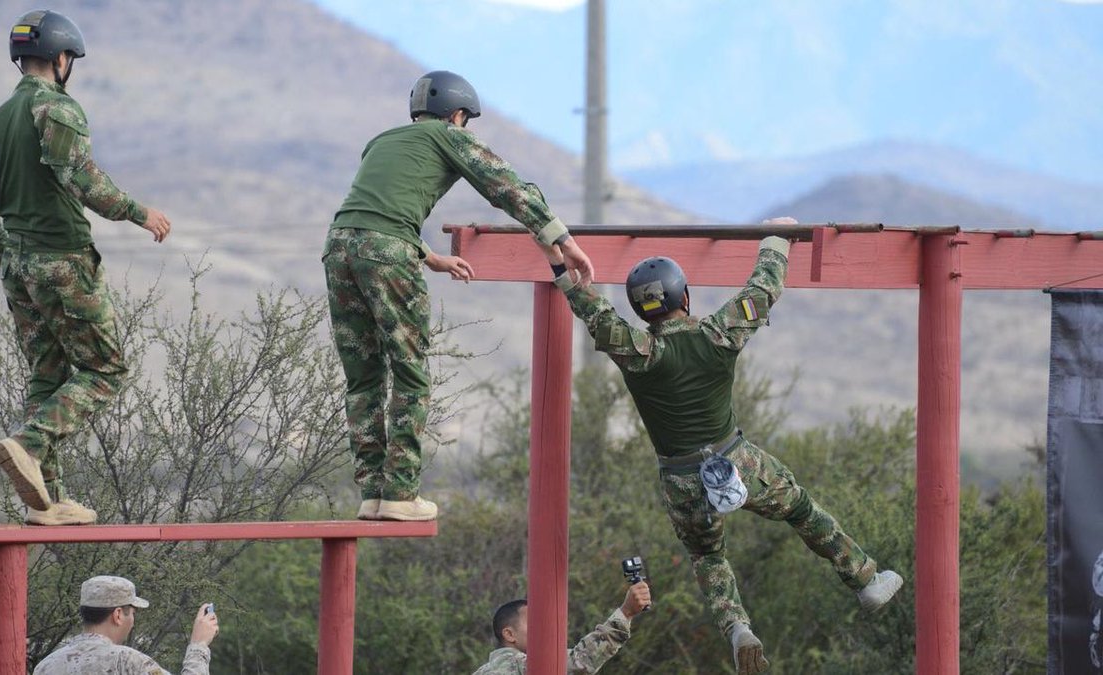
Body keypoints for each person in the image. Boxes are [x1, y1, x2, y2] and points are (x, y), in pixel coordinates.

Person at [541, 224, 903, 675]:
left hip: (679, 478)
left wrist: (558, 261)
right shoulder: (717, 335)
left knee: (708, 556)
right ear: (684, 298)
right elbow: (764, 289)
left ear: (641, 309)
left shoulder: (635, 350)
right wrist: (777, 240)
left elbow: (590, 309)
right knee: (800, 509)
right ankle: (865, 578)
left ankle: (737, 628)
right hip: (737, 461)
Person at [324, 70, 594, 522]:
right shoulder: (450, 135)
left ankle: (372, 492)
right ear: (457, 115)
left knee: (363, 375)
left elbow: (374, 211)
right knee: (410, 370)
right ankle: (401, 494)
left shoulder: (382, 141)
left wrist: (429, 257)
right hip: (387, 250)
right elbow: (505, 185)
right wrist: (562, 240)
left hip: (338, 247)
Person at [0, 10, 172, 525]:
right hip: (63, 258)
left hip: (19, 264)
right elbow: (80, 178)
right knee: (106, 370)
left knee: (48, 376)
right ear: (61, 60)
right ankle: (30, 445)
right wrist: (138, 212)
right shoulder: (55, 109)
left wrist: (10, 261)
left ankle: (49, 502)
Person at [34, 575, 218, 674]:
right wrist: (198, 646)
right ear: (118, 615)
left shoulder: (45, 666)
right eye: (133, 613)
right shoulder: (128, 661)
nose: (133, 621)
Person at [473, 581, 652, 674]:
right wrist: (626, 612)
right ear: (509, 634)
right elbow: (580, 661)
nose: (542, 630)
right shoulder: (517, 665)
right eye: (534, 623)